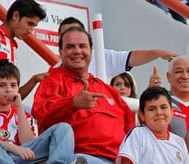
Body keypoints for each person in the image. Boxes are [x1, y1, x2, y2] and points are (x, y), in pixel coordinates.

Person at [32, 26, 135, 164]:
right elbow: (43, 117)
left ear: (91, 51)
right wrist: (72, 103)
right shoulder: (52, 82)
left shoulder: (109, 91)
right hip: (78, 158)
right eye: (70, 47)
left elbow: (131, 133)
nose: (77, 51)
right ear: (60, 52)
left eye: (82, 46)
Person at [0, 60, 84, 163]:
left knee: (63, 128)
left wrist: (19, 108)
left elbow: (29, 144)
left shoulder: (23, 114)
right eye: (2, 85)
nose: (9, 90)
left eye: (13, 85)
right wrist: (15, 149)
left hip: (17, 159)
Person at [0, 0, 48, 99]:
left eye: (33, 26)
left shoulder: (12, 46)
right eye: (29, 23)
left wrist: (35, 79)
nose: (30, 31)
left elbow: (12, 97)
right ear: (15, 16)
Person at [55, 17, 178, 80]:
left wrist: (157, 53)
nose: (72, 37)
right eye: (66, 34)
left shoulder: (102, 57)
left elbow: (132, 58)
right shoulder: (54, 71)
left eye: (76, 32)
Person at [116, 86, 189, 164]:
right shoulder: (138, 134)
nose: (159, 112)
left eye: (163, 107)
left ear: (172, 112)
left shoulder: (179, 142)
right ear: (142, 115)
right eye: (151, 109)